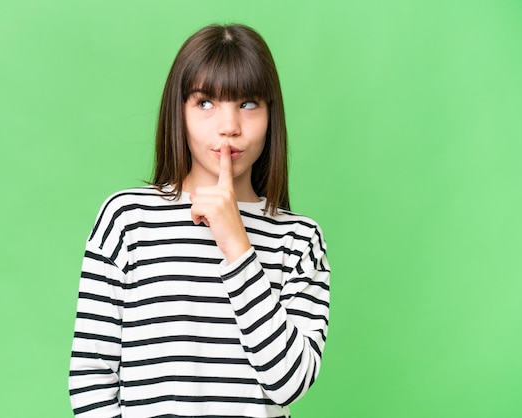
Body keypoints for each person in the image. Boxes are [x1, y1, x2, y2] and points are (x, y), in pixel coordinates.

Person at [68, 23, 330, 418]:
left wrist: (238, 246)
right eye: (206, 102)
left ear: (271, 115)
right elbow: (91, 373)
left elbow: (289, 383)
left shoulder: (299, 240)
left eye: (248, 103)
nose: (229, 126)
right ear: (180, 112)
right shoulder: (127, 220)